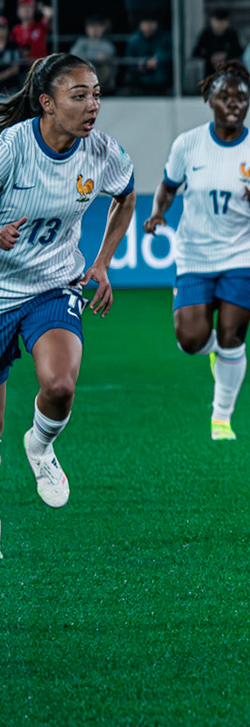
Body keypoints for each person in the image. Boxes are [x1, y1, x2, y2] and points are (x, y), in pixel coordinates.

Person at [0, 54, 138, 507]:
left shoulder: (102, 151)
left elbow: (126, 194)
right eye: (78, 96)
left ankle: (40, 446)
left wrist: (101, 262)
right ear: (47, 103)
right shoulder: (11, 148)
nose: (92, 105)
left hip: (53, 285)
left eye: (96, 94)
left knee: (60, 387)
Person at [142, 64, 250, 440]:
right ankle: (216, 354)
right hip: (194, 253)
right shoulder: (187, 144)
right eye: (226, 97)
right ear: (210, 100)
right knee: (190, 340)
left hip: (245, 254)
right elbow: (167, 187)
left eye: (241, 98)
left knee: (231, 336)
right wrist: (157, 213)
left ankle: (221, 418)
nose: (234, 104)